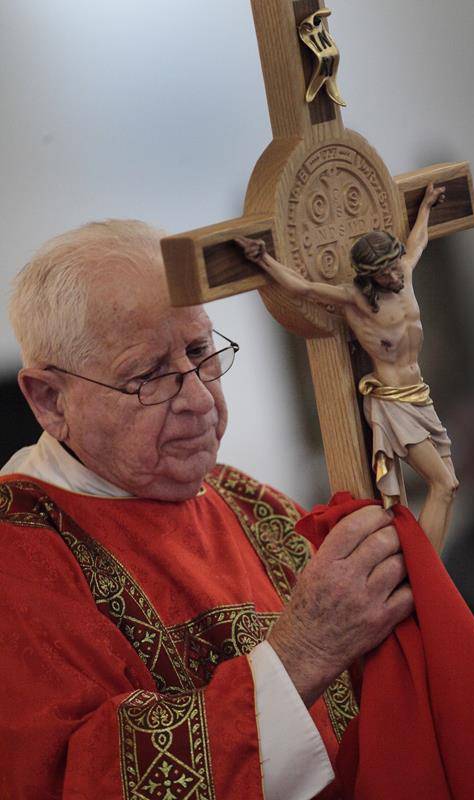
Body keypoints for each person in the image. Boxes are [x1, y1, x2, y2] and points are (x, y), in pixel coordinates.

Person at [0, 219, 413, 799]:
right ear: (49, 400)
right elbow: (71, 780)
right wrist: (303, 654)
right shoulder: (19, 555)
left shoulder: (256, 506)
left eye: (200, 352)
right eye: (147, 376)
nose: (198, 398)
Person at [236, 183, 457, 552]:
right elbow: (303, 289)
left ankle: (428, 567)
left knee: (450, 485)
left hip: (420, 395)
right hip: (395, 403)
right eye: (385, 272)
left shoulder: (404, 272)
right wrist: (263, 260)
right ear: (370, 275)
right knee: (443, 484)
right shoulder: (354, 300)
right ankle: (428, 569)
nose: (395, 275)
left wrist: (427, 207)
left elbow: (418, 241)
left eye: (394, 264)